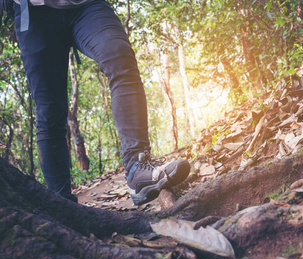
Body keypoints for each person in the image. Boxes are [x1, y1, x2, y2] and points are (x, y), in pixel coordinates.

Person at [7, 0, 190, 205]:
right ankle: (64, 206)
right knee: (49, 110)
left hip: (87, 5)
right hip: (33, 14)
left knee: (119, 57)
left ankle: (138, 168)